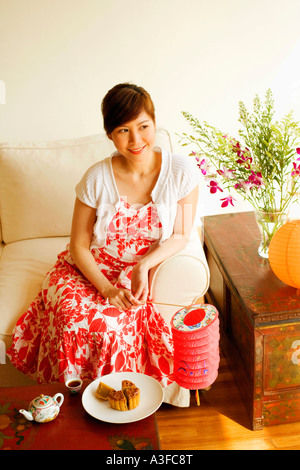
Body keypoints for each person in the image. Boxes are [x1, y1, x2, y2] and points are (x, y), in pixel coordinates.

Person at [7, 83, 200, 387]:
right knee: (72, 320)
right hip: (87, 271)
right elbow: (79, 246)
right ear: (110, 135)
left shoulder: (181, 172)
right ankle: (73, 407)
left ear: (155, 123)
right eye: (123, 130)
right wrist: (107, 289)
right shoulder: (96, 178)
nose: (136, 140)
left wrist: (142, 266)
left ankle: (110, 402)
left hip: (132, 273)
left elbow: (181, 233)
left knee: (111, 326)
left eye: (143, 126)